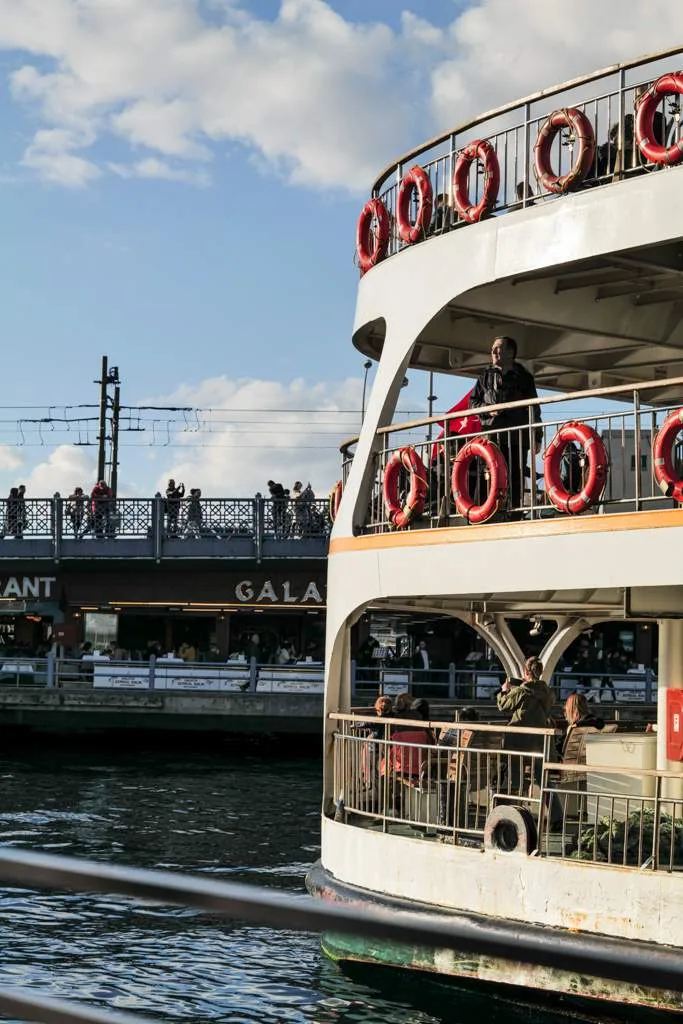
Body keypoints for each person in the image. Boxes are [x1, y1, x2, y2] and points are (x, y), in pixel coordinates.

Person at [469, 335, 541, 515]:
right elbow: (473, 403)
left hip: (517, 437)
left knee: (515, 475)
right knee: (488, 475)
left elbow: (534, 408)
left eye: (498, 348)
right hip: (491, 436)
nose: (493, 352)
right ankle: (485, 514)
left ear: (510, 353)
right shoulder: (485, 376)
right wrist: (488, 410)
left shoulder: (524, 378)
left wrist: (537, 436)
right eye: (492, 348)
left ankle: (514, 513)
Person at [496, 655, 553, 791]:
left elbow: (503, 705)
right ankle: (553, 805)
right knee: (542, 779)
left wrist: (504, 691)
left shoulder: (521, 691)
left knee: (513, 773)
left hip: (518, 743)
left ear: (526, 671)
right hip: (539, 743)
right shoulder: (547, 692)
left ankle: (516, 799)